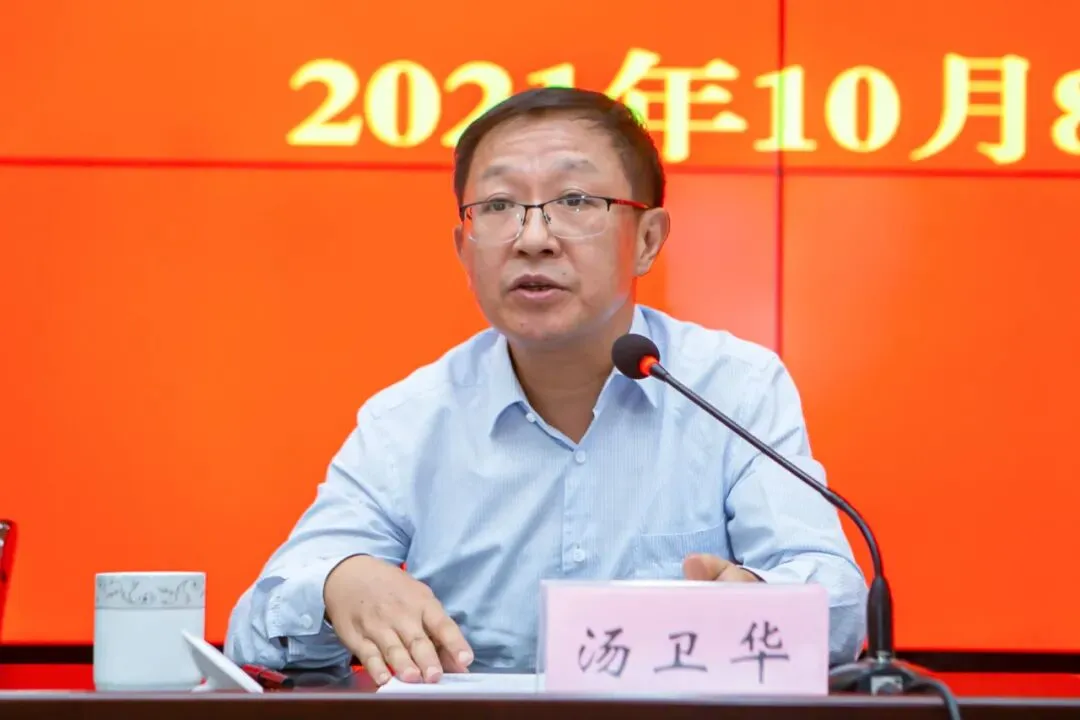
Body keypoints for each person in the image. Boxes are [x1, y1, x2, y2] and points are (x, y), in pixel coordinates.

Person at [225, 87, 867, 684]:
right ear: (464, 249)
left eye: (576, 201)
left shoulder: (733, 387)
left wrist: (758, 601)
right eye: (498, 206)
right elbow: (250, 634)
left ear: (648, 239)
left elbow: (839, 602)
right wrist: (338, 584)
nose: (533, 239)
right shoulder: (409, 419)